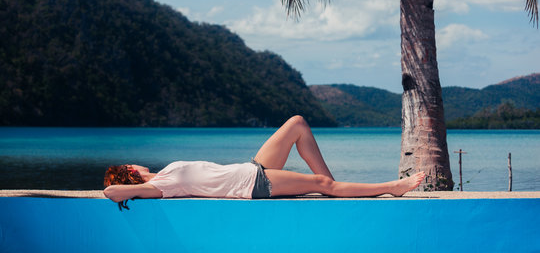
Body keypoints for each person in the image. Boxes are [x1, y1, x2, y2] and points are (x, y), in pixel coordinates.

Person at [103, 116, 425, 209]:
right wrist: (131, 186)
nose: (135, 163)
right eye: (130, 166)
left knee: (297, 124)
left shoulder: (164, 175)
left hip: (250, 169)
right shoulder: (156, 186)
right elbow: (111, 194)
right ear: (131, 172)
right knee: (323, 185)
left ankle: (333, 188)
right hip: (252, 185)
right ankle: (390, 188)